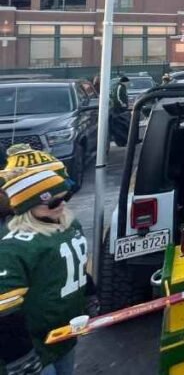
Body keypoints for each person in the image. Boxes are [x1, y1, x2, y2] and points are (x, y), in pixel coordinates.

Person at [0, 156, 90, 375]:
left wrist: (89, 294)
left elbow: (76, 265)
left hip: (63, 334)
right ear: (27, 206)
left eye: (65, 197)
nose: (63, 205)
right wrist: (19, 355)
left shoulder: (68, 224)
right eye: (53, 202)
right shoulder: (14, 247)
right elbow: (5, 309)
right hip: (32, 346)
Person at [109, 75, 131, 147]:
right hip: (118, 108)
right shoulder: (120, 87)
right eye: (127, 83)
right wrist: (122, 104)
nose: (128, 84)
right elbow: (117, 97)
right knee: (120, 121)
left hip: (120, 107)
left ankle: (123, 139)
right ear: (124, 82)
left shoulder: (122, 87)